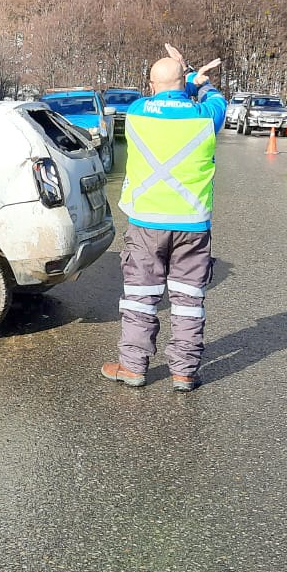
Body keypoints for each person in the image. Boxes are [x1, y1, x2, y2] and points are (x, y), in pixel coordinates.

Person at [102, 46, 226, 392]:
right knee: (188, 300)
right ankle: (184, 372)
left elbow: (168, 92)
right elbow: (213, 99)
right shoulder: (207, 114)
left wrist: (184, 74)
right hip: (192, 224)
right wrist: (198, 80)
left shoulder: (138, 112)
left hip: (146, 223)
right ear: (184, 83)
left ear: (151, 85)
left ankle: (133, 368)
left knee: (140, 296)